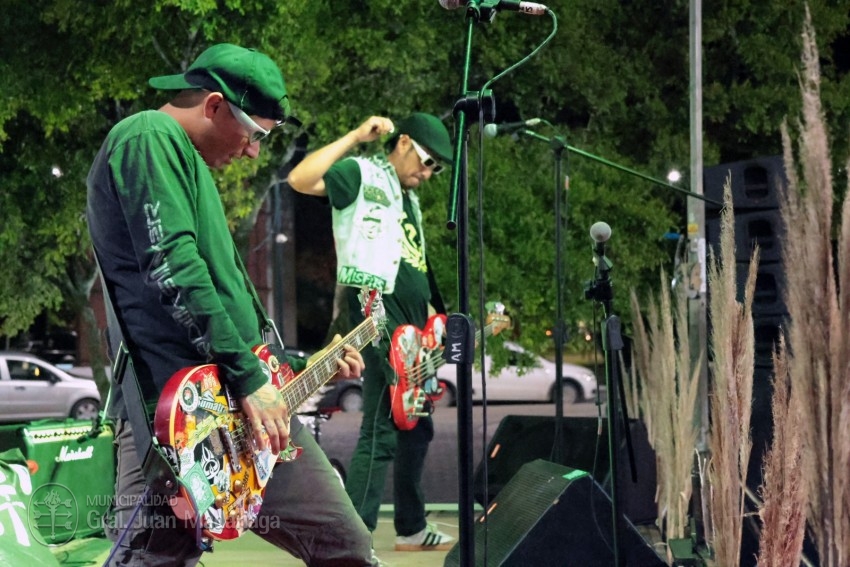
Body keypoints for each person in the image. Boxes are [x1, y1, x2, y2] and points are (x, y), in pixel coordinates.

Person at [86, 43, 377, 566]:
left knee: (346, 546)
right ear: (216, 106)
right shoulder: (148, 136)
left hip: (237, 403)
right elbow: (173, 268)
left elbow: (217, 295)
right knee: (157, 559)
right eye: (256, 135)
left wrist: (290, 371)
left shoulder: (181, 159)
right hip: (181, 414)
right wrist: (248, 377)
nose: (252, 152)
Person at [287, 112, 455, 551]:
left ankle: (411, 528)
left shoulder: (409, 200)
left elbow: (416, 265)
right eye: (426, 161)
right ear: (402, 144)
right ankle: (352, 543)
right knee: (381, 430)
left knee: (416, 428)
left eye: (437, 168)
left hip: (414, 333)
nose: (429, 173)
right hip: (379, 321)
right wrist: (355, 136)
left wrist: (438, 320)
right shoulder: (362, 174)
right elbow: (301, 179)